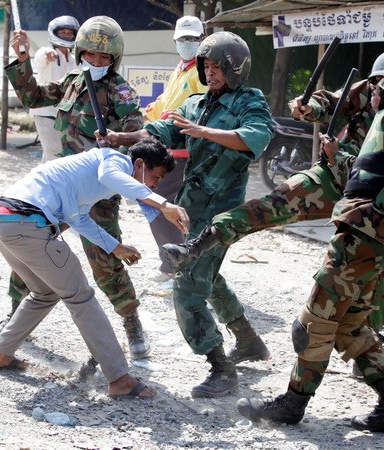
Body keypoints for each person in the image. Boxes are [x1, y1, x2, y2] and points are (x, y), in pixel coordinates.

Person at [161, 31, 384, 385]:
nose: (379, 90)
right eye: (380, 82)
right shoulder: (369, 86)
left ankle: (369, 356)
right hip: (331, 178)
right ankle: (202, 241)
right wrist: (307, 107)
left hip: (373, 197)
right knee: (269, 205)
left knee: (373, 278)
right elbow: (328, 102)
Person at [235, 49, 384, 436]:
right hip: (372, 234)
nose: (370, 93)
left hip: (364, 234)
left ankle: (293, 403)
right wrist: (336, 156)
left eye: (375, 86)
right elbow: (373, 174)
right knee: (350, 326)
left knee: (314, 321)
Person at [97, 31, 275, 397]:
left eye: (217, 67)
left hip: (223, 213)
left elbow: (255, 137)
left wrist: (204, 132)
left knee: (188, 286)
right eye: (206, 66)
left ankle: (221, 368)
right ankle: (248, 340)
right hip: (192, 209)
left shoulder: (248, 102)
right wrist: (121, 137)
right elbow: (163, 130)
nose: (210, 73)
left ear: (235, 69)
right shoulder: (198, 103)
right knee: (206, 275)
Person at [0, 16, 154, 360]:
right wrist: (22, 60)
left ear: (114, 59)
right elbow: (33, 97)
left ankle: (131, 322)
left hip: (97, 191)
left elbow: (138, 135)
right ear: (80, 52)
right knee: (31, 250)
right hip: (59, 189)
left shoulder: (119, 91)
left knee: (105, 258)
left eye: (104, 57)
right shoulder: (72, 80)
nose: (96, 62)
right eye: (90, 55)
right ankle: (13, 315)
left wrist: (114, 141)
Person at [0, 138, 189, 400]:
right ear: (139, 164)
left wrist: (115, 247)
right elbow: (110, 174)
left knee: (44, 293)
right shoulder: (113, 161)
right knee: (81, 297)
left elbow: (77, 217)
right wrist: (162, 203)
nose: (154, 185)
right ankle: (119, 379)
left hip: (2, 223)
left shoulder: (91, 174)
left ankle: (0, 354)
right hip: (27, 224)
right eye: (156, 177)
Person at [144, 15, 207, 282]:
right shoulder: (181, 68)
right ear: (175, 40)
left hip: (184, 150)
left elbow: (203, 106)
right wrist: (150, 112)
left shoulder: (202, 70)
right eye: (183, 38)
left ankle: (174, 264)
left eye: (193, 38)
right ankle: (180, 262)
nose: (188, 43)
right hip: (169, 146)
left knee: (156, 201)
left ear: (202, 40)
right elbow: (165, 102)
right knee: (169, 205)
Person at [30, 15, 79, 164]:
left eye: (69, 33)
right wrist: (47, 54)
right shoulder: (48, 52)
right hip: (46, 111)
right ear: (55, 33)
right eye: (62, 32)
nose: (66, 35)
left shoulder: (73, 59)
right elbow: (40, 56)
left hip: (65, 114)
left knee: (55, 154)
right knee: (54, 153)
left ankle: (39, 184)